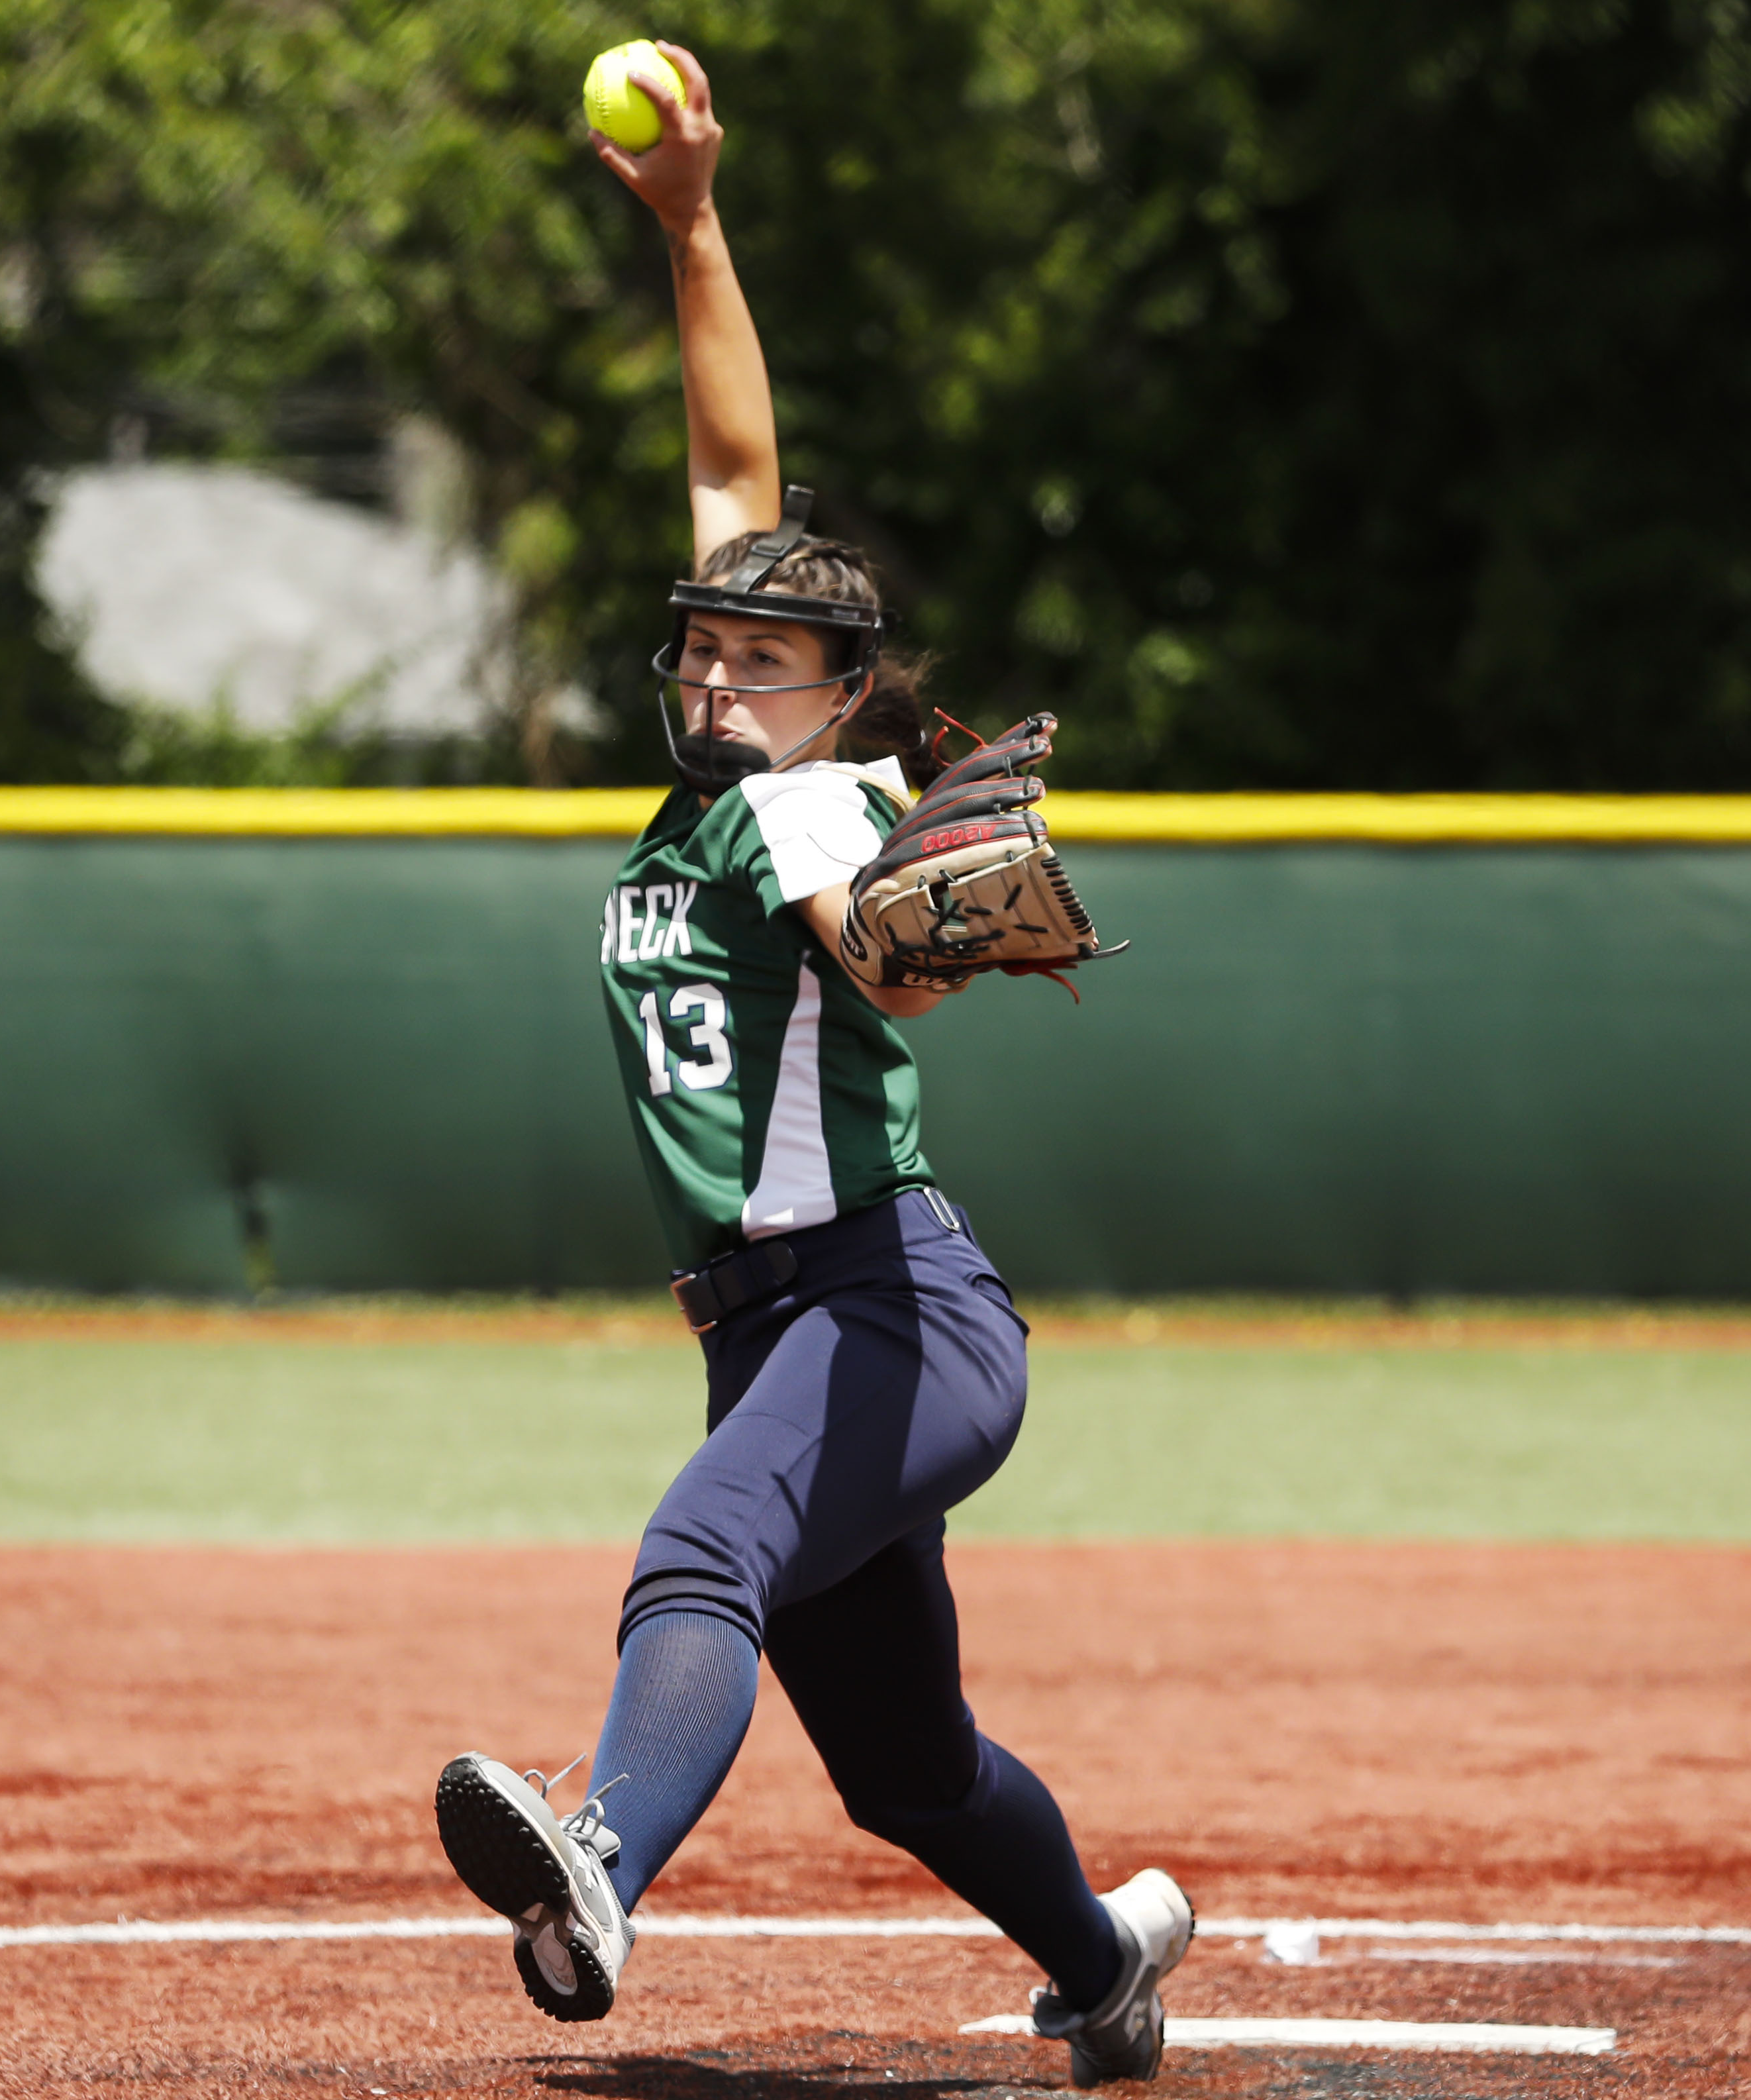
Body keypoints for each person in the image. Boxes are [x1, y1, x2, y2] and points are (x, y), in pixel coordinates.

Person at [429, 42, 1189, 2089]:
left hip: (894, 1301)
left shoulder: (819, 807)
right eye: (703, 647)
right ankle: (1105, 1955)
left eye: (760, 661)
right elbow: (733, 473)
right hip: (767, 1332)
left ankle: (596, 1865)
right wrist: (690, 224)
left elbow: (887, 970)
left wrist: (905, 936)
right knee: (908, 1764)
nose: (714, 671)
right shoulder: (713, 792)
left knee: (703, 1554)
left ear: (845, 694)